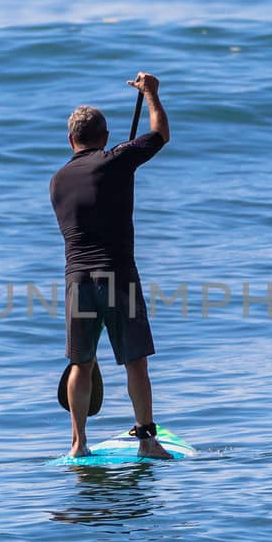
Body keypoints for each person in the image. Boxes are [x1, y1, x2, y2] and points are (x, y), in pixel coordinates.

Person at [49, 72, 172, 459]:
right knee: (135, 361)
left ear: (71, 141)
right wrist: (150, 93)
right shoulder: (115, 159)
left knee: (80, 363)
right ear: (104, 137)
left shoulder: (57, 181)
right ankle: (148, 441)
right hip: (117, 278)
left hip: (78, 282)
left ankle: (78, 444)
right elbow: (160, 133)